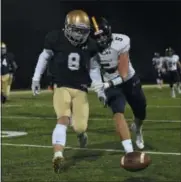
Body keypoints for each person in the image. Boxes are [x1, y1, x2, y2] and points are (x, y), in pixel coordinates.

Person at [31, 10, 99, 173]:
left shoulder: (90, 45)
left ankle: (81, 135)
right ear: (67, 27)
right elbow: (44, 57)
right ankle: (58, 154)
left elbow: (94, 68)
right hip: (61, 85)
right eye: (76, 30)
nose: (79, 35)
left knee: (80, 127)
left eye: (82, 31)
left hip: (81, 88)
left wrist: (100, 88)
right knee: (63, 118)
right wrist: (36, 78)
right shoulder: (55, 38)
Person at [90, 17, 147, 152]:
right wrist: (100, 91)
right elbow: (94, 69)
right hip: (111, 85)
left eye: (103, 34)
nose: (101, 39)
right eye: (97, 36)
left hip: (129, 80)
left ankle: (138, 129)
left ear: (109, 31)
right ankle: (129, 151)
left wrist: (107, 84)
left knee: (141, 111)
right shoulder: (91, 48)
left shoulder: (121, 41)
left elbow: (124, 74)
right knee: (117, 113)